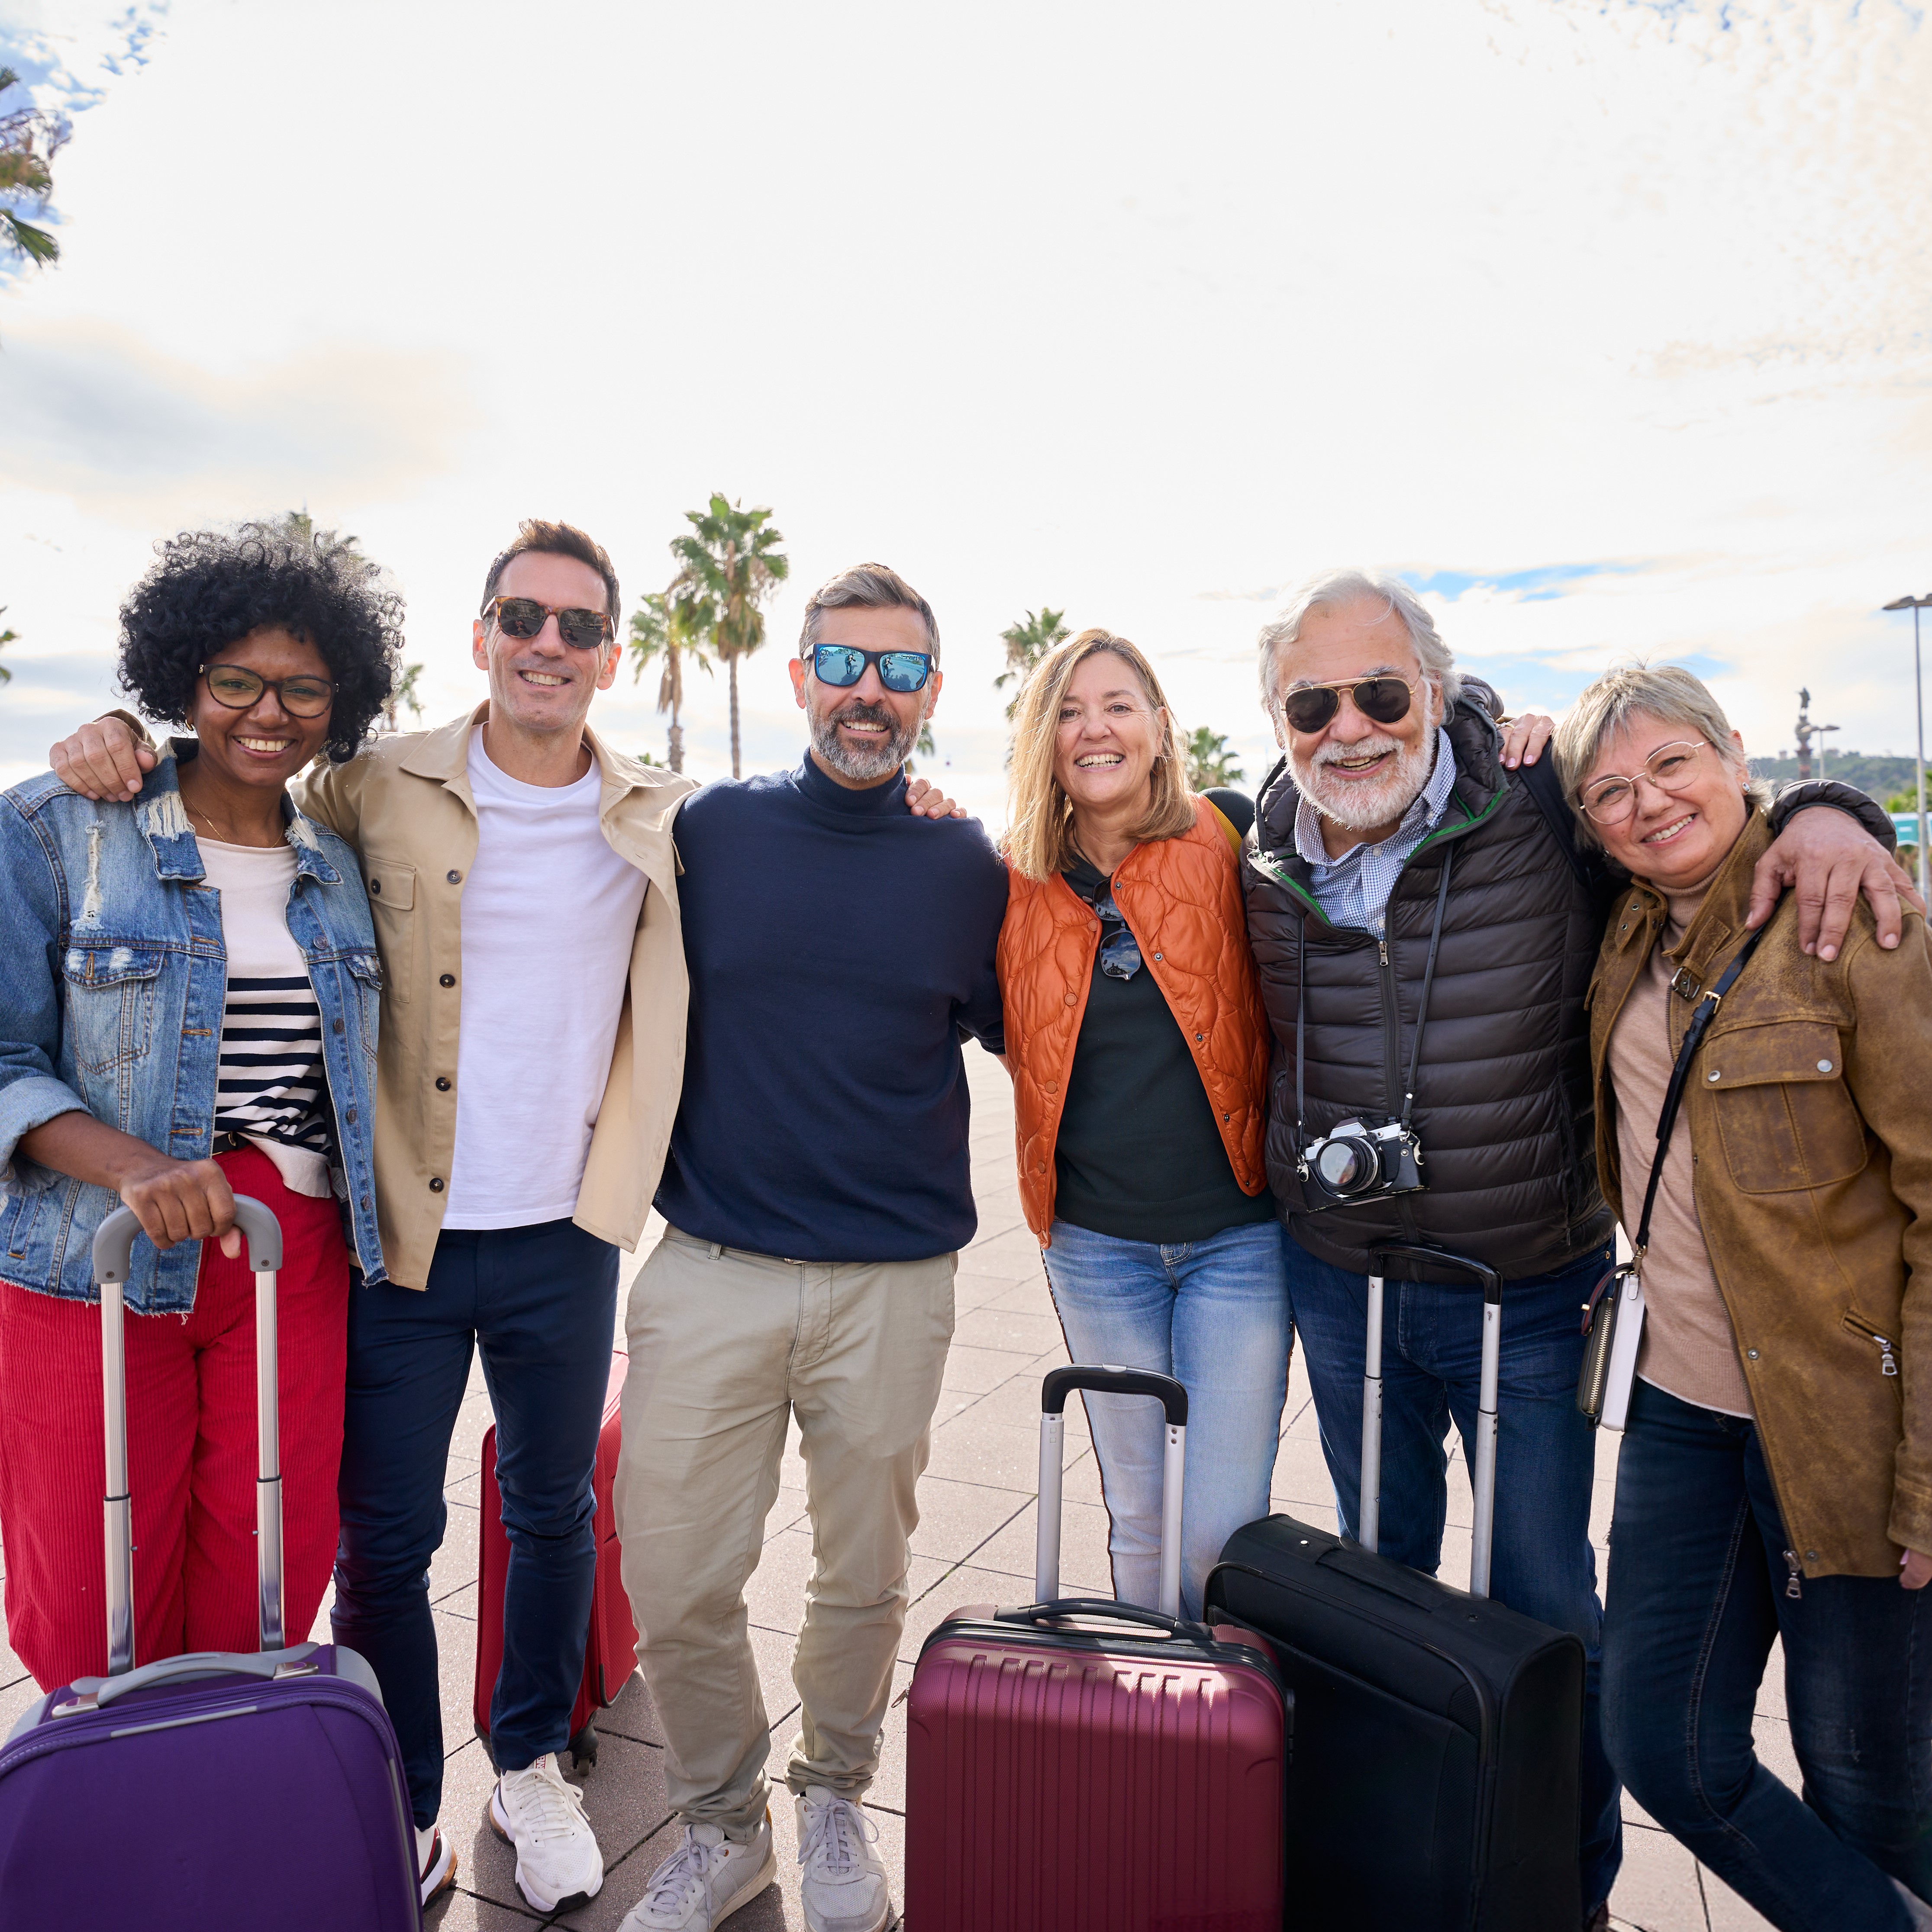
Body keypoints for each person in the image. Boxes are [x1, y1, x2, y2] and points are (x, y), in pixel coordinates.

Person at [46, 531, 965, 1919]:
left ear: (611, 657)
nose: (549, 644)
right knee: (385, 1537)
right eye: (523, 617)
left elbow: (831, 842)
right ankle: (404, 1797)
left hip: (568, 1233)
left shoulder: (667, 817)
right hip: (398, 1234)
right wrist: (125, 739)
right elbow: (234, 788)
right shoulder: (373, 784)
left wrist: (925, 808)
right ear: (481, 635)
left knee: (552, 1514)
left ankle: (530, 1765)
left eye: (579, 627)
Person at [1242, 566, 1913, 1930]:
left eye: (1382, 693)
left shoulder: (1540, 798)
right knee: (1377, 1591)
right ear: (1278, 720)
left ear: (1437, 691)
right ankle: (1404, 1869)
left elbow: (1702, 821)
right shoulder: (1254, 851)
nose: (1349, 727)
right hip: (1346, 1284)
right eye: (1312, 704)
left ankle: (1566, 1895)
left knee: (1551, 1608)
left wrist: (1836, 808)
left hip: (1530, 1288)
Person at [613, 563, 1007, 1932]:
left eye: (898, 671)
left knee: (863, 1576)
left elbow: (1047, 1023)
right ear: (799, 679)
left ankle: (834, 1795)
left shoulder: (969, 866)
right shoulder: (709, 831)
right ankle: (722, 1824)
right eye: (843, 664)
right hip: (710, 1270)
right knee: (673, 1576)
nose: (867, 694)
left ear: (931, 694)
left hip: (893, 1286)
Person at [1556, 664, 1932, 1932]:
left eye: (1672, 764)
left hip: (1845, 1429)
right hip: (1682, 1415)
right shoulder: (1628, 929)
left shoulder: (1852, 922)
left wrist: (1929, 1476)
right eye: (1611, 790)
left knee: (1869, 1788)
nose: (1648, 804)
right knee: (1660, 1744)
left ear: (1733, 754)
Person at [0, 523, 391, 1693]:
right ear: (185, 680)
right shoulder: (59, 828)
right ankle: (101, 1799)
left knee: (262, 1596)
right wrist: (135, 1165)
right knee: (90, 1608)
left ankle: (224, 1801)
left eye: (303, 689)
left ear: (339, 703)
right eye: (235, 682)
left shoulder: (339, 864)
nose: (268, 712)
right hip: (100, 1251)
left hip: (288, 1255)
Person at [998, 627, 1282, 1619]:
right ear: (1043, 741)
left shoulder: (1233, 833)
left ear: (1160, 726)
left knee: (1217, 1532)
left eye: (1118, 705)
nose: (1095, 729)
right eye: (1069, 712)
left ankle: (1229, 1699)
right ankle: (1160, 1705)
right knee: (1141, 1516)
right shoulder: (1009, 877)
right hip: (1095, 1247)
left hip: (1239, 1240)